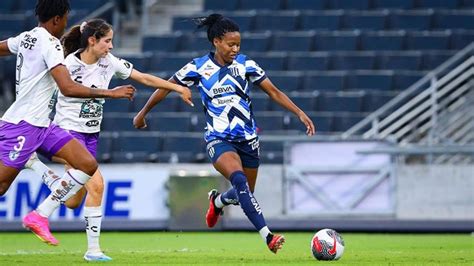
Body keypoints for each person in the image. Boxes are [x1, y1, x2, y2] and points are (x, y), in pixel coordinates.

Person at [133, 13, 315, 254]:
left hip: (248, 140)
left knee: (244, 193)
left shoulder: (246, 64)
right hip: (218, 139)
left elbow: (274, 92)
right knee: (239, 180)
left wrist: (299, 112)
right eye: (231, 44)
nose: (235, 49)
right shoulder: (198, 67)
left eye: (238, 44)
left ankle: (218, 201)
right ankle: (268, 236)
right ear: (217, 41)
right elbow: (165, 88)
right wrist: (142, 113)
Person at [24, 18, 193, 261]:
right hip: (68, 132)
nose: (111, 46)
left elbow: (143, 77)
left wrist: (177, 88)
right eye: (107, 41)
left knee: (73, 200)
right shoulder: (68, 64)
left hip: (91, 134)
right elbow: (64, 90)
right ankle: (83, 244)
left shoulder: (108, 62)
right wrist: (111, 94)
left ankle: (35, 165)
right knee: (98, 184)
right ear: (92, 41)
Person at [0, 0, 135, 248]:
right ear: (56, 20)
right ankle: (34, 170)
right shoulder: (50, 43)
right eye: (64, 19)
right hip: (24, 125)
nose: (65, 25)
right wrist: (111, 93)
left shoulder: (27, 37)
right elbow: (68, 87)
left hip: (44, 125)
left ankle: (39, 215)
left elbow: (2, 48)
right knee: (1, 186)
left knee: (87, 164)